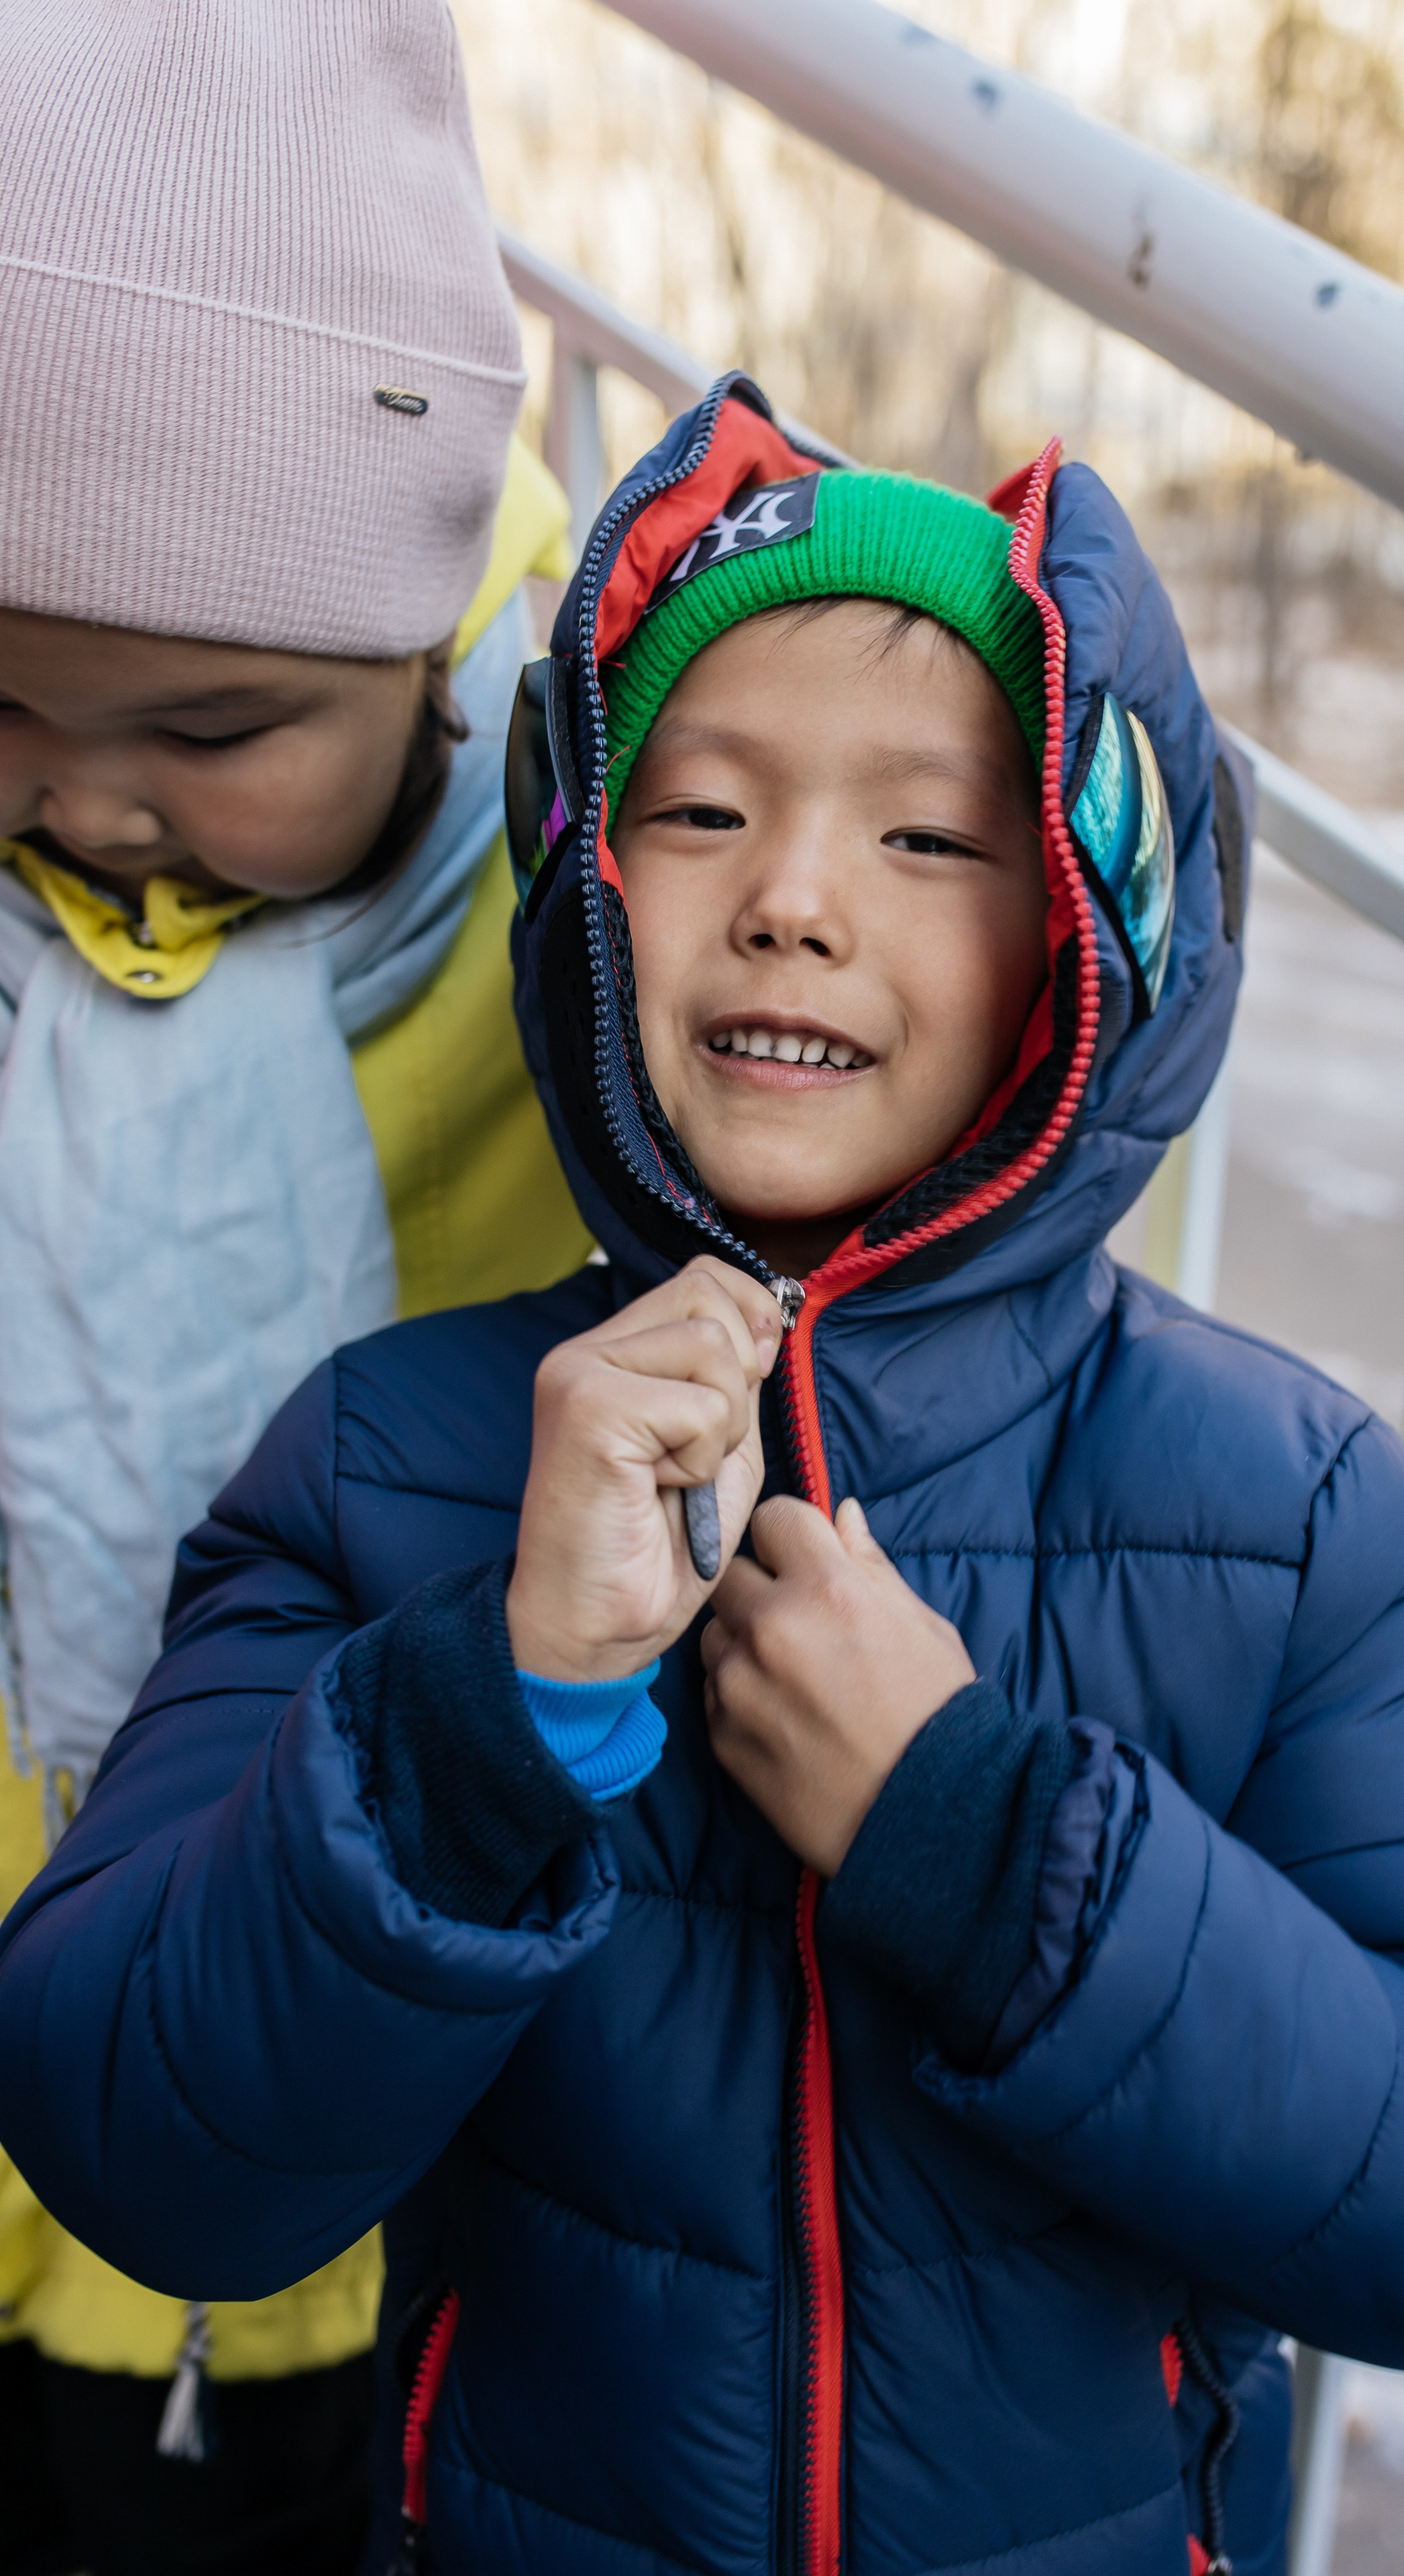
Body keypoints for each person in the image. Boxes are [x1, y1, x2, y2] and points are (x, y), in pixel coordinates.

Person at [0, 381, 1404, 2576]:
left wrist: (982, 1836)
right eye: (698, 814)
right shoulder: (391, 1460)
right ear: (586, 883)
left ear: (1086, 929)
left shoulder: (1301, 1514)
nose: (788, 901)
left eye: (927, 839)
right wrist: (495, 1716)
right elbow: (137, 2139)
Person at [0, 5, 590, 2569]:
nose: (94, 794)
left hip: (402, 2033)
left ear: (433, 639)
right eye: (1, 702)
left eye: (217, 724)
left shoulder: (580, 886)